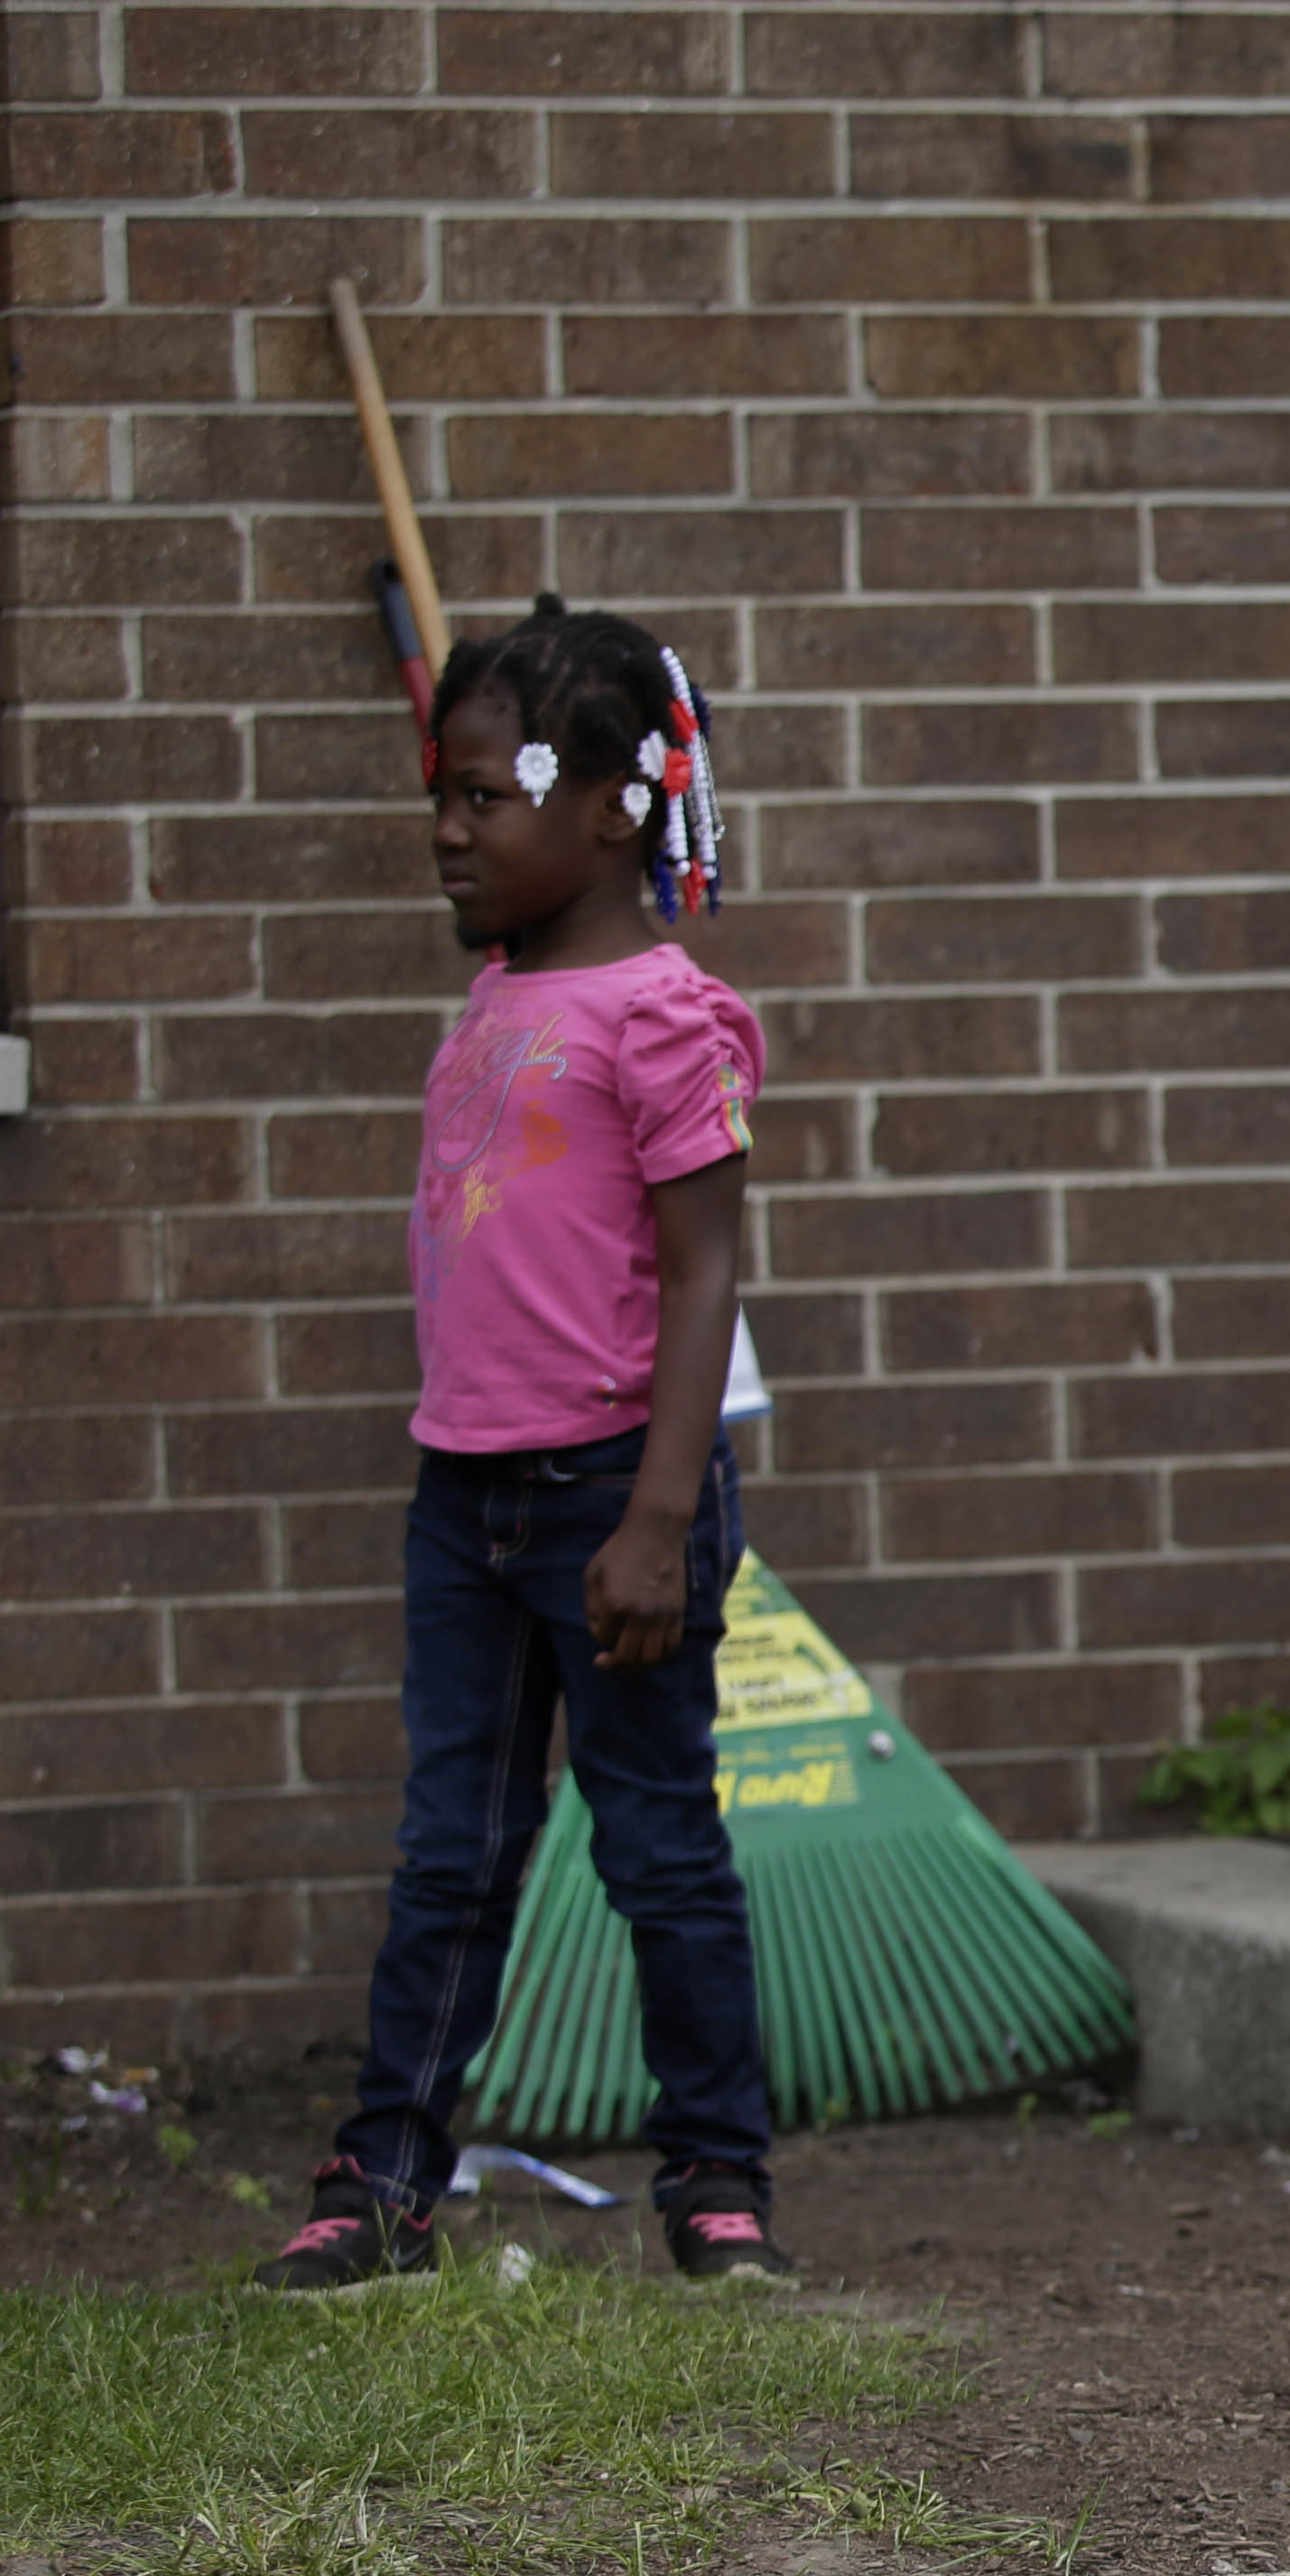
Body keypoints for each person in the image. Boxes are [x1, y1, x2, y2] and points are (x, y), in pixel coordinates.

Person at [258, 598, 788, 2292]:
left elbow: (706, 1271)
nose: (446, 830)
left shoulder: (662, 1011)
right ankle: (384, 2184)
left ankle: (717, 2184)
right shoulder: (496, 996)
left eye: (485, 796)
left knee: (656, 1844)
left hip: (611, 1497)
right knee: (452, 1851)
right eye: (445, 792)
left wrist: (657, 1513)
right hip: (464, 1490)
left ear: (613, 806)